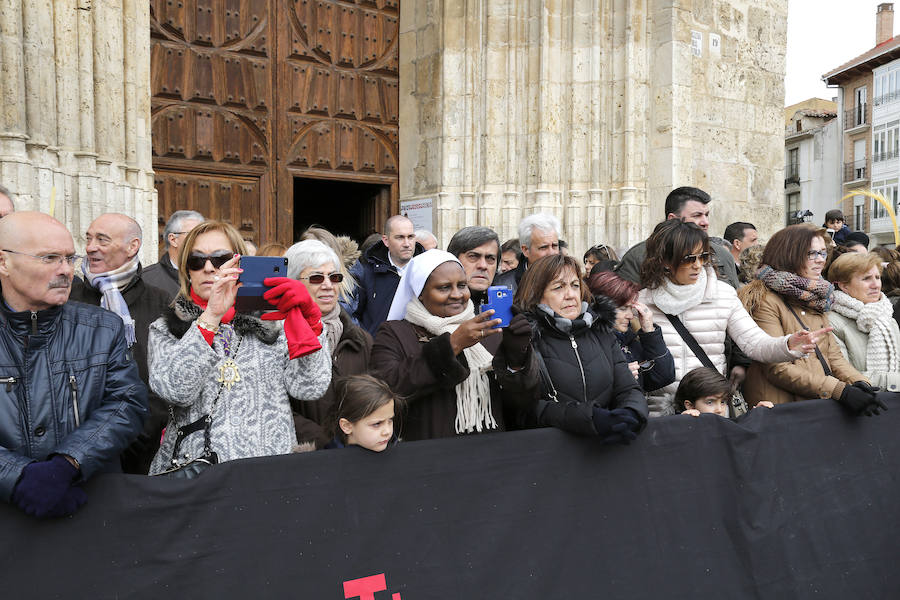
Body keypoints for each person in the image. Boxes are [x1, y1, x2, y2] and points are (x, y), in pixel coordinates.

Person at [147, 221, 331, 474]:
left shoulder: (271, 325)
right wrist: (210, 316)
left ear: (239, 264)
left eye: (221, 258)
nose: (209, 268)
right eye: (197, 260)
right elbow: (175, 391)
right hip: (198, 475)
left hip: (268, 473)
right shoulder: (167, 327)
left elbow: (310, 387)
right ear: (187, 271)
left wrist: (311, 324)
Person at [0, 212, 147, 517]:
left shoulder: (102, 327)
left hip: (90, 506)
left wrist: (67, 464)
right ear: (4, 263)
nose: (66, 270)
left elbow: (127, 402)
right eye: (50, 258)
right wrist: (16, 476)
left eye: (69, 258)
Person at [637, 219, 825, 417]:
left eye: (703, 256)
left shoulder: (723, 294)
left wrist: (787, 345)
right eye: (688, 258)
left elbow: (754, 343)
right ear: (665, 260)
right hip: (660, 414)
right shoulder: (642, 302)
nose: (698, 265)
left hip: (711, 410)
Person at [370, 250, 537, 441]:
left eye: (462, 285)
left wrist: (517, 357)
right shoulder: (395, 333)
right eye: (444, 288)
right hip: (428, 455)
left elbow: (521, 405)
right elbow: (386, 390)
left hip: (489, 453)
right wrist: (453, 344)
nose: (457, 295)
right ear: (421, 293)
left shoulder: (489, 329)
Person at [738, 224, 886, 416]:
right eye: (811, 254)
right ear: (789, 255)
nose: (820, 261)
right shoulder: (764, 300)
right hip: (779, 406)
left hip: (813, 403)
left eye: (823, 253)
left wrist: (859, 382)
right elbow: (776, 367)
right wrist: (839, 390)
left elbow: (832, 355)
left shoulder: (816, 296)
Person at [68, 213, 171, 474]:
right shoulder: (67, 298)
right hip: (76, 448)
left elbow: (165, 375)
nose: (90, 247)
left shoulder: (161, 301)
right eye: (89, 238)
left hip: (143, 448)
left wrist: (138, 431)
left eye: (102, 240)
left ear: (132, 246)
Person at [515, 254, 648, 442]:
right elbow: (527, 409)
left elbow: (628, 388)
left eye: (575, 285)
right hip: (551, 454)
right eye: (558, 287)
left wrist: (631, 414)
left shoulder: (601, 332)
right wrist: (591, 418)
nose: (570, 295)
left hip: (606, 450)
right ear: (537, 294)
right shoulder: (525, 339)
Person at [284, 239, 372, 448]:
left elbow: (372, 396)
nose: (328, 285)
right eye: (316, 278)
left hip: (355, 452)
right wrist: (323, 441)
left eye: (334, 277)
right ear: (293, 281)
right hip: (302, 456)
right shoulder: (277, 337)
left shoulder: (360, 339)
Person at [616, 186, 740, 288]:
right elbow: (625, 308)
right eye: (697, 215)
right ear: (672, 219)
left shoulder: (721, 254)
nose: (705, 222)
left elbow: (737, 302)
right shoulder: (639, 256)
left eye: (706, 215)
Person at [586, 269, 675, 393]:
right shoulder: (587, 344)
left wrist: (649, 331)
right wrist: (618, 379)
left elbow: (663, 377)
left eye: (630, 308)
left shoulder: (627, 339)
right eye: (623, 308)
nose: (630, 316)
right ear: (602, 307)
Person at [826, 253, 900, 392]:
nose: (875, 285)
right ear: (844, 286)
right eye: (866, 279)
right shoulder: (831, 323)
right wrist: (895, 381)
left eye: (877, 278)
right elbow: (843, 376)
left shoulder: (888, 319)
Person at [350, 215, 424, 335]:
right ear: (386, 241)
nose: (407, 243)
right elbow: (353, 314)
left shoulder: (427, 270)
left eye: (410, 237)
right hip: (377, 348)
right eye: (400, 237)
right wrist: (367, 342)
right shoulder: (366, 272)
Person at [324, 375, 399, 451]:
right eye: (377, 424)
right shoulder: (330, 460)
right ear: (347, 426)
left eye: (390, 420)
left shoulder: (398, 450)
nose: (387, 431)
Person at [142, 209, 204, 299]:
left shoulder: (214, 274)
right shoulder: (146, 280)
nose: (201, 239)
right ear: (173, 240)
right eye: (193, 234)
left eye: (202, 234)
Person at [493, 213, 561, 294]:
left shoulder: (571, 279)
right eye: (544, 247)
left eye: (554, 246)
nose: (551, 253)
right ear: (526, 250)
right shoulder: (502, 285)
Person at [673, 367, 773, 417]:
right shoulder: (673, 434)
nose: (719, 410)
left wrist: (756, 418)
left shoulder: (727, 426)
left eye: (723, 402)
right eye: (710, 402)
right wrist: (683, 425)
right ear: (690, 406)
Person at [447, 226, 500, 308]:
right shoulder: (435, 306)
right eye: (473, 256)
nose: (483, 265)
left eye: (490, 258)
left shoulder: (509, 307)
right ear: (454, 260)